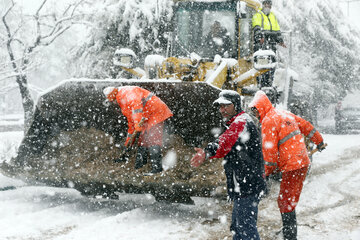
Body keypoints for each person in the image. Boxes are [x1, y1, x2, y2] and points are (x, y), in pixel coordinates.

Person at [248, 90, 326, 240]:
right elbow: (306, 126)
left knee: (286, 201)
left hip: (293, 166)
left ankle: (290, 235)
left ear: (261, 107)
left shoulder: (268, 121)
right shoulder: (284, 114)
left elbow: (269, 153)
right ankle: (289, 231)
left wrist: (265, 173)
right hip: (301, 162)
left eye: (256, 111)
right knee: (289, 199)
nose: (256, 115)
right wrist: (319, 140)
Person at [190, 90, 266, 240]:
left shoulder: (241, 122)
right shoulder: (237, 122)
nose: (222, 110)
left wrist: (207, 152)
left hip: (248, 183)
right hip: (243, 183)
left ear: (236, 105)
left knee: (245, 229)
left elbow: (226, 141)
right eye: (220, 106)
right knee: (238, 227)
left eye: (226, 106)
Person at [103, 86, 173, 174]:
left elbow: (137, 107)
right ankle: (140, 166)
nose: (113, 104)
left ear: (113, 98)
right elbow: (131, 125)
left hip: (155, 112)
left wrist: (137, 124)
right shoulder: (123, 102)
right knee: (143, 141)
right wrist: (128, 143)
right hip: (146, 116)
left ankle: (157, 169)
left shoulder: (126, 93)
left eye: (112, 101)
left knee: (153, 140)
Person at [252, 0, 286, 88]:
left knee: (271, 67)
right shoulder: (258, 15)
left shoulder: (272, 17)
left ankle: (269, 85)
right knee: (262, 67)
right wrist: (260, 37)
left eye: (269, 5)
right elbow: (256, 27)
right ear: (263, 5)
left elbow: (277, 30)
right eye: (266, 4)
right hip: (262, 46)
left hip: (271, 45)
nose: (267, 6)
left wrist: (280, 40)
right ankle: (261, 85)